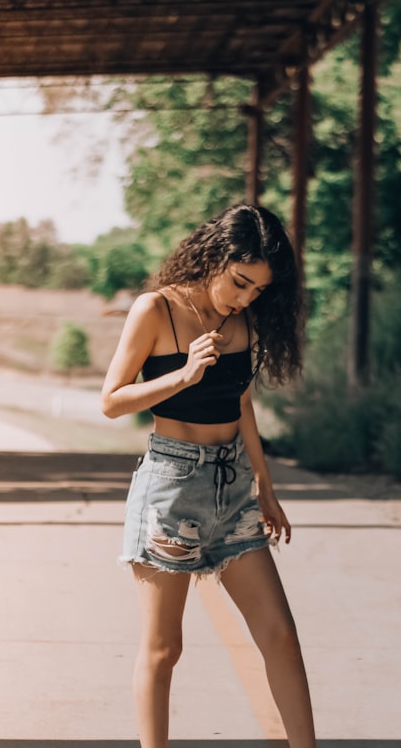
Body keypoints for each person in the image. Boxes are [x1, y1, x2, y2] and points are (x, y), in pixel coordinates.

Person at [101, 203, 314, 748]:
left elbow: (241, 404)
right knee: (163, 649)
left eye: (258, 291)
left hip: (235, 488)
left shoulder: (242, 320)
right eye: (240, 282)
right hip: (172, 488)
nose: (245, 299)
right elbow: (112, 401)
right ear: (215, 256)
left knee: (281, 638)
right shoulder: (157, 310)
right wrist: (184, 374)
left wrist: (264, 486)